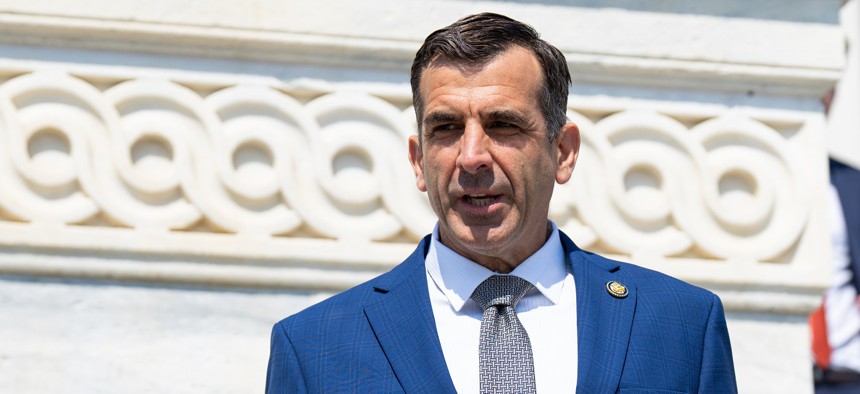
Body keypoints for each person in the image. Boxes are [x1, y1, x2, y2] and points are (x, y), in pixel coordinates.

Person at [266, 13, 737, 393]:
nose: (471, 157)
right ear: (417, 160)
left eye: (504, 125)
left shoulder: (681, 324)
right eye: (446, 128)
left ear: (562, 152)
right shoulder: (314, 348)